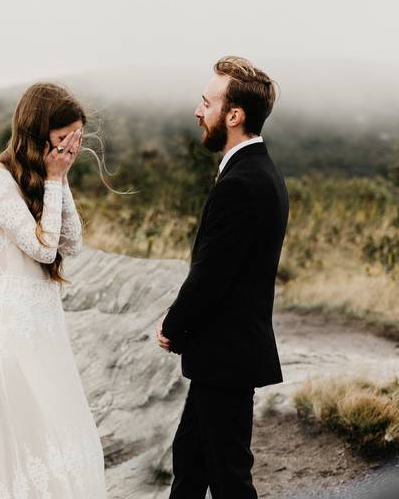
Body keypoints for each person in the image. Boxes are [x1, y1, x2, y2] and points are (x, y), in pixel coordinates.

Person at [0, 82, 107, 498]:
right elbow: (43, 250)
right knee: (28, 456)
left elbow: (72, 241)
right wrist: (55, 178)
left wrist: (59, 179)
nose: (69, 151)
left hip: (47, 332)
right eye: (63, 140)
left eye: (74, 142)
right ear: (37, 132)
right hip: (13, 334)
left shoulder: (47, 177)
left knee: (64, 444)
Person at [157, 56, 289, 499]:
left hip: (225, 355)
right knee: (190, 467)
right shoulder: (258, 173)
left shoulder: (242, 183)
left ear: (234, 116)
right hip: (224, 356)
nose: (198, 111)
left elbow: (211, 275)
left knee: (230, 478)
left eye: (207, 103)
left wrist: (173, 325)